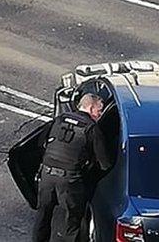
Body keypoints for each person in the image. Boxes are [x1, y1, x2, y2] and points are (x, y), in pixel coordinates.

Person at [32, 93, 112, 242]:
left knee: (43, 216)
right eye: (99, 111)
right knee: (73, 222)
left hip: (47, 175)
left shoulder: (59, 119)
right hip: (70, 180)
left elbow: (40, 143)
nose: (100, 115)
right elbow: (105, 163)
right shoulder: (91, 128)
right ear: (91, 107)